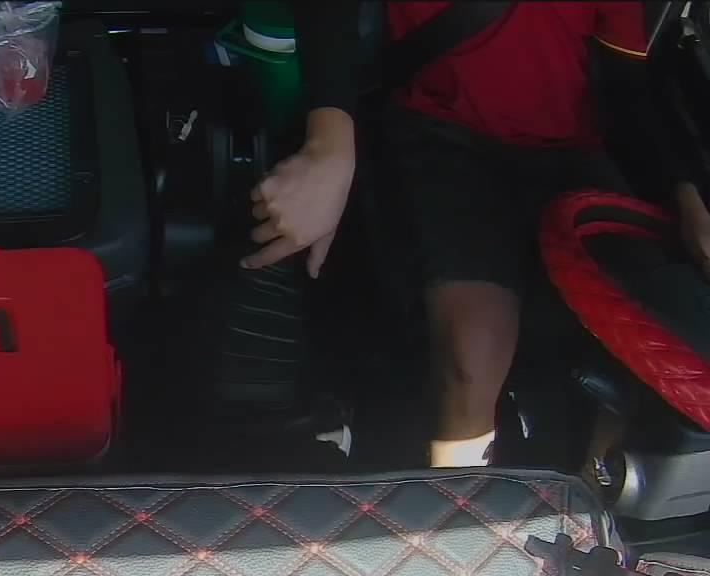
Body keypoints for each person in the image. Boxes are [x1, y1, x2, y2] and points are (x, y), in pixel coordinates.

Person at [253, 1, 710, 467]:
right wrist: (329, 143)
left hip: (572, 157)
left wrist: (684, 195)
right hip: (442, 135)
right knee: (472, 353)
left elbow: (626, 89)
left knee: (652, 343)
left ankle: (594, 489)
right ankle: (461, 498)